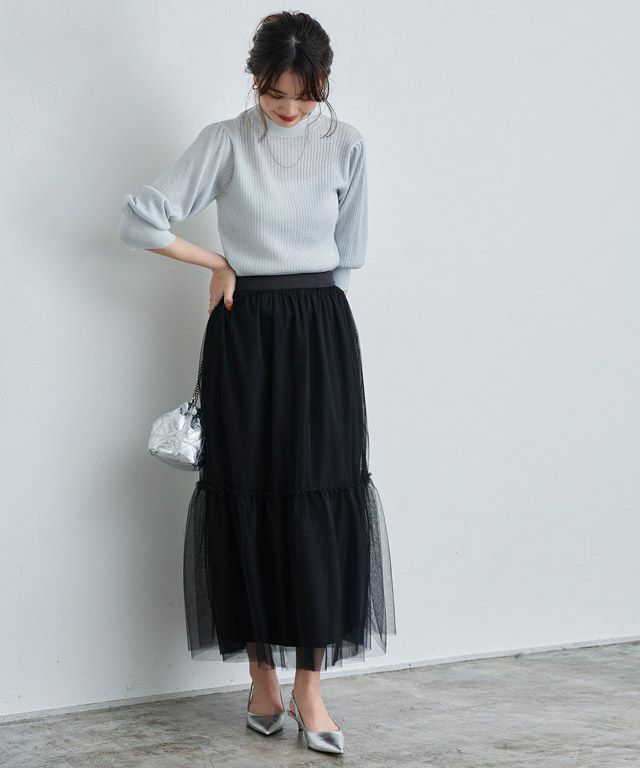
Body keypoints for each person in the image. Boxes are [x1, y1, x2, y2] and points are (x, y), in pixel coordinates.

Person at [118, 11, 396, 756]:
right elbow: (140, 220)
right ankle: (262, 679)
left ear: (324, 84)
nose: (290, 109)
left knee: (320, 493)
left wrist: (316, 330)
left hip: (321, 331)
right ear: (256, 79)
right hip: (244, 330)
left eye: (305, 95)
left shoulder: (347, 143)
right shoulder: (226, 141)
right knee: (245, 490)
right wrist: (217, 263)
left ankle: (311, 686)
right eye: (276, 94)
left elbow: (349, 254)